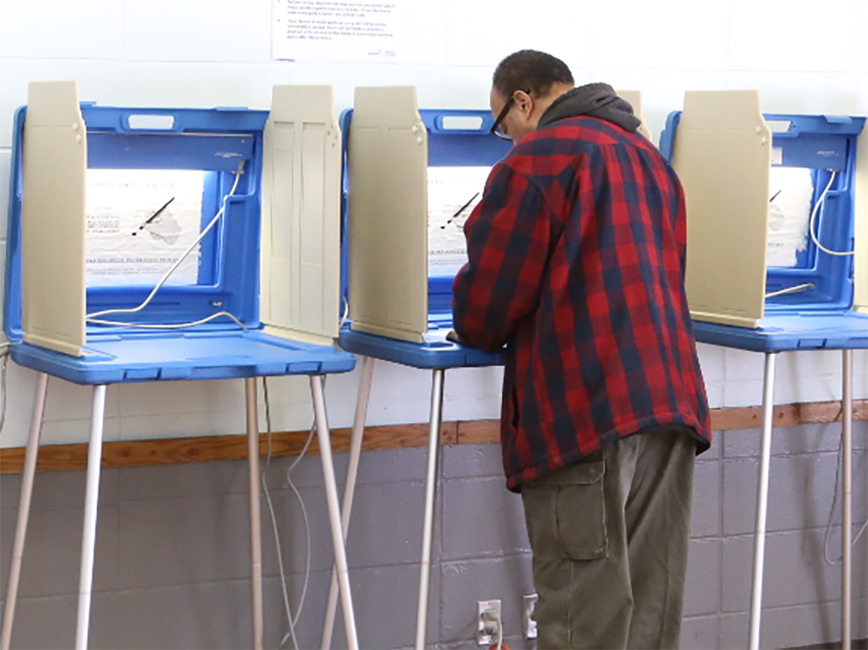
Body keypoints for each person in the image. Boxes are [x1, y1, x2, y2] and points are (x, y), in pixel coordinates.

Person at [450, 50, 712, 649]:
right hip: (670, 405)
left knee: (581, 611)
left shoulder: (540, 159)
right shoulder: (650, 160)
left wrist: (468, 323)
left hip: (586, 408)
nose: (506, 139)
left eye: (502, 124)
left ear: (523, 101)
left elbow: (491, 297)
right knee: (649, 608)